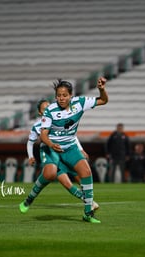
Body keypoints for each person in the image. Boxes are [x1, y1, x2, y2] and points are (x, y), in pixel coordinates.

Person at [39, 77, 109, 223]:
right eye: (58, 95)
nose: (61, 98)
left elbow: (103, 101)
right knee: (60, 179)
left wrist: (101, 89)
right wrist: (51, 145)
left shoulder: (80, 102)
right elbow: (43, 135)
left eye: (64, 95)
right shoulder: (50, 110)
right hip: (54, 150)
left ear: (71, 95)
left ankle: (88, 213)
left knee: (86, 172)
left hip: (70, 147)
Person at [20, 99, 99, 214]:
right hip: (51, 153)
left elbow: (72, 136)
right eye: (44, 109)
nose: (48, 109)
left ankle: (89, 203)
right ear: (40, 113)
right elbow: (30, 141)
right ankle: (29, 199)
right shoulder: (38, 125)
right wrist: (31, 156)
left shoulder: (59, 119)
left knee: (79, 176)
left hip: (66, 152)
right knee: (64, 182)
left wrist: (81, 149)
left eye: (49, 106)